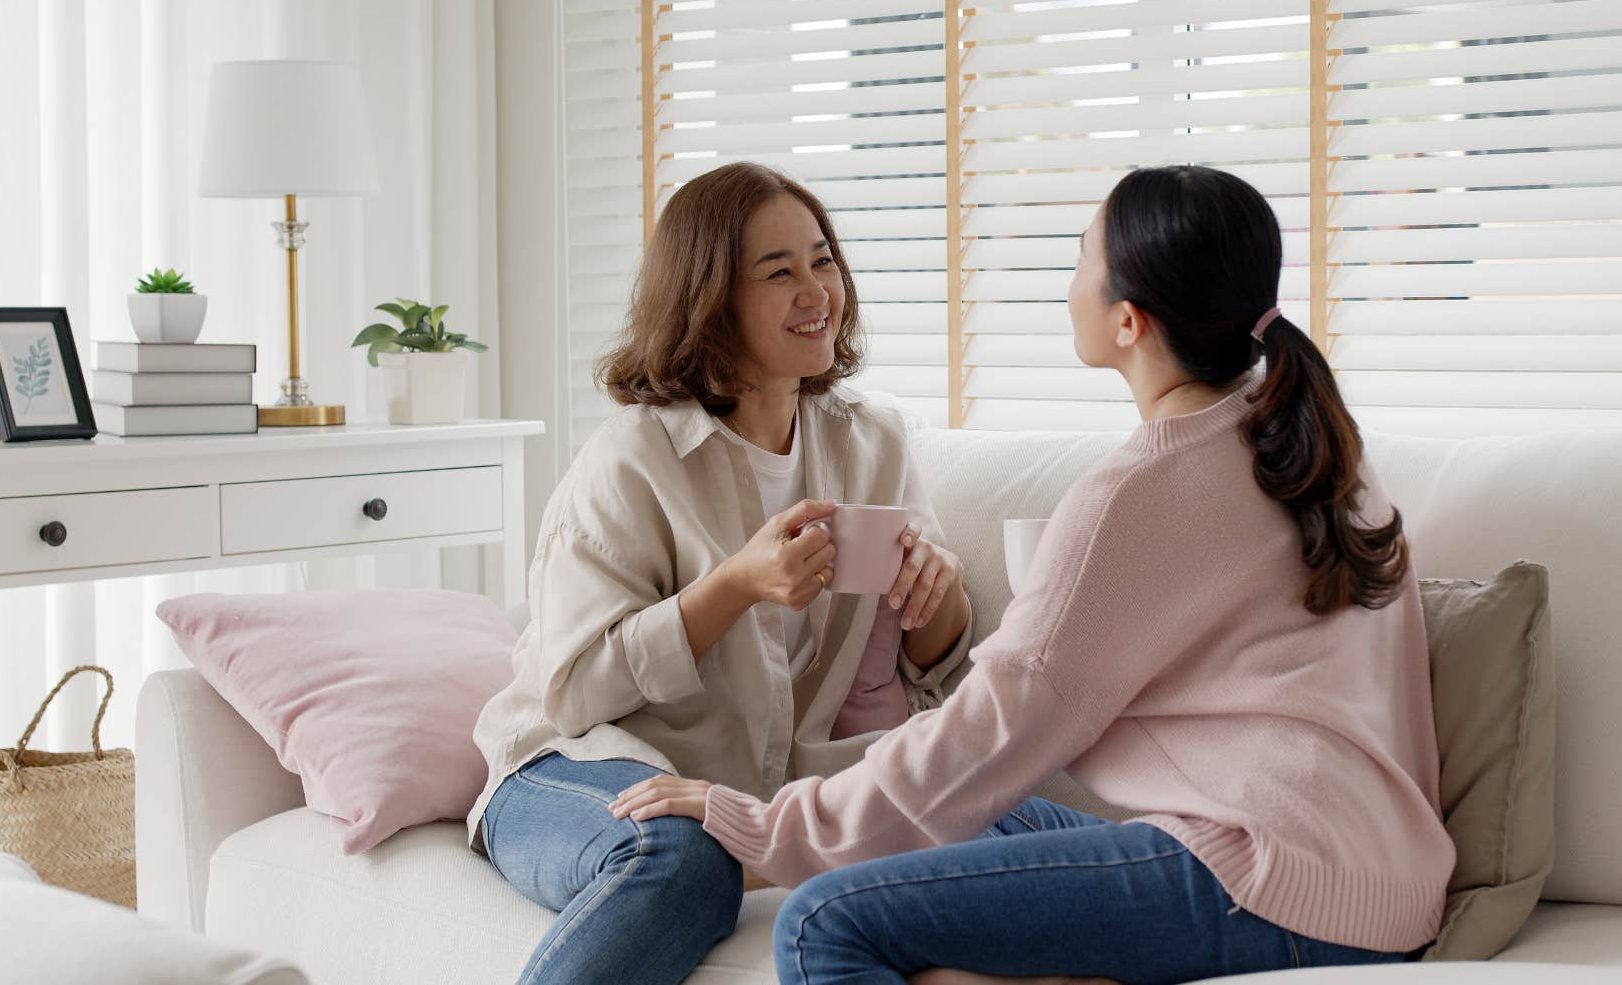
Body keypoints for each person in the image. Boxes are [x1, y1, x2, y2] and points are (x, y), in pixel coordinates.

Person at [615, 165, 1456, 984]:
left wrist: (764, 829)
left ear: (1128, 321)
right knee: (972, 822)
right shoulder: (1315, 443)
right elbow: (978, 774)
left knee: (823, 922)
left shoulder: (1142, 492)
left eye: (1080, 261)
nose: (1067, 286)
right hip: (1385, 880)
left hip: (1272, 883)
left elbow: (992, 728)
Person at [466, 161, 974, 985]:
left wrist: (936, 589)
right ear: (709, 302)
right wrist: (733, 586)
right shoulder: (633, 458)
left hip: (733, 796)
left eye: (823, 261)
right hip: (572, 766)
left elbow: (936, 664)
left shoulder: (872, 443)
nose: (816, 292)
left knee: (970, 817)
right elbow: (572, 692)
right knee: (683, 856)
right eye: (778, 272)